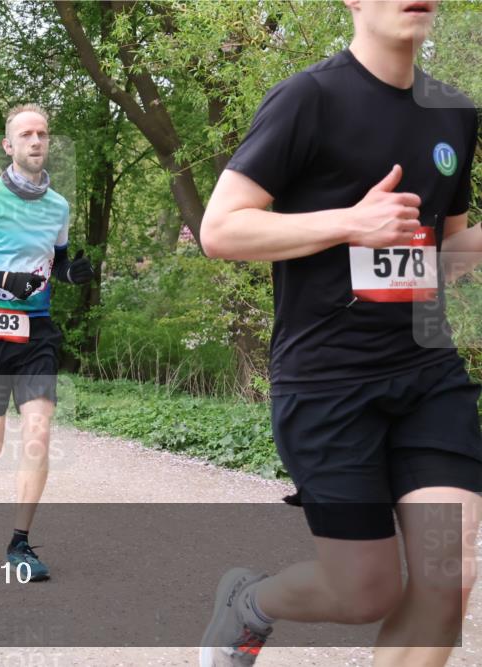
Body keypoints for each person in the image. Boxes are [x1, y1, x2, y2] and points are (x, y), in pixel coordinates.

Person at [198, 1, 481, 665]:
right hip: (328, 380)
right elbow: (221, 229)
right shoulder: (309, 99)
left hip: (427, 373)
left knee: (448, 573)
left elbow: (443, 253)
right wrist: (350, 222)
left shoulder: (455, 113)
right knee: (364, 592)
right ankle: (250, 602)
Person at [0, 104, 93, 581]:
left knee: (39, 431)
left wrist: (71, 273)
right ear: (9, 145)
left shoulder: (58, 206)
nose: (36, 140)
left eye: (42, 133)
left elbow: (55, 263)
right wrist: (6, 279)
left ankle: (20, 543)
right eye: (26, 134)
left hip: (37, 330)